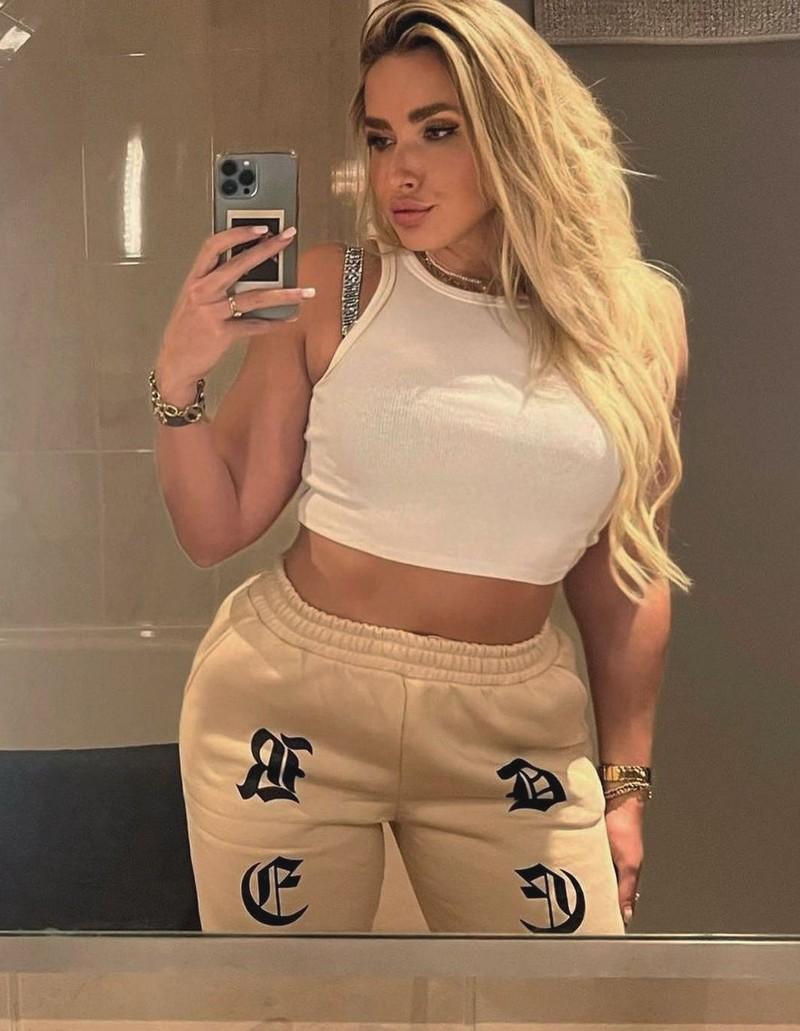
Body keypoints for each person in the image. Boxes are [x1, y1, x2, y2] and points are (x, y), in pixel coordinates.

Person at [152, 0, 690, 935]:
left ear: (518, 132)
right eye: (381, 137)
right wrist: (177, 377)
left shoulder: (638, 321)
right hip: (289, 704)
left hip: (512, 728)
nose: (397, 170)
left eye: (437, 131)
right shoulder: (338, 288)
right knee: (296, 1002)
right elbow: (216, 526)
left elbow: (623, 579)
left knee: (558, 996)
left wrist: (626, 784)